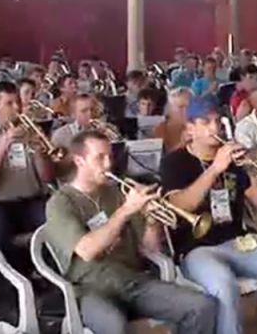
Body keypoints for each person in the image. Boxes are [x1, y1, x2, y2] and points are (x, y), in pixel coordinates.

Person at [159, 99, 257, 334]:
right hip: (196, 249)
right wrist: (216, 168)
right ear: (190, 128)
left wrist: (249, 169)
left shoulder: (233, 159)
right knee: (224, 285)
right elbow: (181, 205)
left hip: (239, 242)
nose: (215, 128)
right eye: (206, 122)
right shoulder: (174, 162)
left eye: (217, 121)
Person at [45, 130, 216, 334]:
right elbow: (87, 250)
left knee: (201, 306)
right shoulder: (60, 203)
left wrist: (152, 220)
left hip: (132, 280)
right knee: (114, 326)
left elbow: (150, 246)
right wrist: (126, 210)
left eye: (110, 156)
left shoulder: (116, 192)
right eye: (100, 157)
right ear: (80, 161)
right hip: (91, 289)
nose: (108, 164)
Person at [0, 81, 52, 263]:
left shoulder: (31, 133)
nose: (16, 108)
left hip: (31, 201)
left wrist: (39, 153)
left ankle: (49, 275)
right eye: (9, 103)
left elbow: (47, 177)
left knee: (56, 223)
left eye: (18, 103)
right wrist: (4, 144)